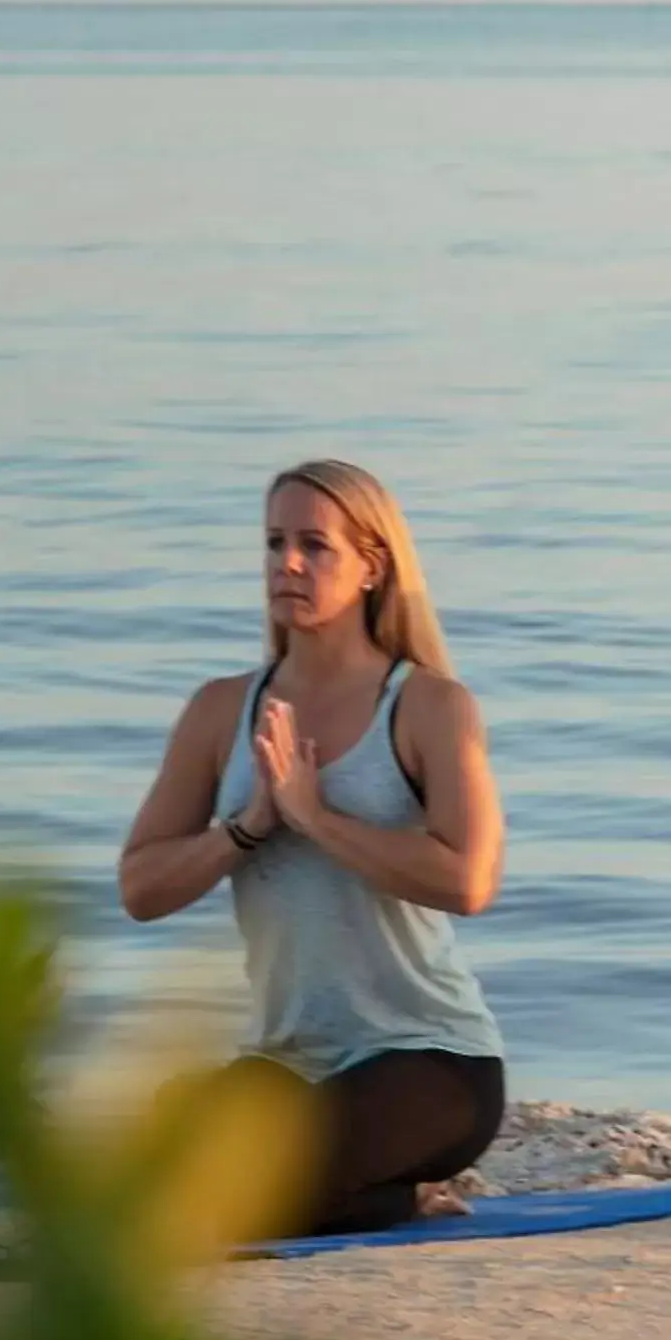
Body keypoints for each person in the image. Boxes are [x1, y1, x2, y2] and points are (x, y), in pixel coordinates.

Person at [118, 459, 509, 1238]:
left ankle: (390, 1193)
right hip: (286, 1063)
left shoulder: (429, 706)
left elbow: (469, 881)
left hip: (428, 1058)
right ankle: (390, 1199)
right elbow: (141, 888)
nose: (286, 564)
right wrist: (250, 826)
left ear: (372, 566)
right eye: (273, 543)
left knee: (240, 1194)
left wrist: (316, 817)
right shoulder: (222, 709)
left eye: (314, 545)